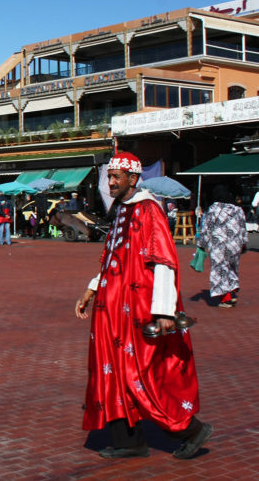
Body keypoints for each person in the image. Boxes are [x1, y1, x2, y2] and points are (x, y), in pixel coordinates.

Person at [74, 152, 212, 460]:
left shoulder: (149, 210)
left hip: (136, 310)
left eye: (115, 177)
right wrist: (93, 288)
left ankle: (189, 429)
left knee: (142, 374)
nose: (110, 183)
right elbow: (116, 258)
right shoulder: (123, 209)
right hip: (111, 310)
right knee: (114, 373)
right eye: (108, 177)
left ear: (133, 179)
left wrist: (164, 311)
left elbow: (164, 260)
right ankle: (128, 441)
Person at [198, 185, 248, 308]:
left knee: (220, 269)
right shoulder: (237, 209)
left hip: (219, 244)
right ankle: (232, 288)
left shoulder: (213, 209)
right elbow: (243, 227)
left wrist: (201, 244)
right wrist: (244, 242)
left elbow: (206, 228)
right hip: (235, 244)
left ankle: (226, 298)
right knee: (231, 267)